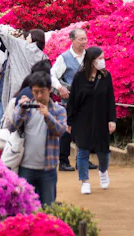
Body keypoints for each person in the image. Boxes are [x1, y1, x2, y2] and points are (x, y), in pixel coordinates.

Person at [7, 70, 67, 206]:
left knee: (48, 207)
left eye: (42, 91)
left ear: (50, 89)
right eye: (35, 92)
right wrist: (21, 110)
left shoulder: (59, 110)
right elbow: (11, 127)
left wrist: (48, 116)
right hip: (25, 167)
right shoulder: (25, 107)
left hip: (48, 168)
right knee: (23, 207)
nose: (39, 96)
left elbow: (61, 131)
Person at [67, 46, 117, 195]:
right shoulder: (79, 77)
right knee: (82, 150)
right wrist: (69, 121)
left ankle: (103, 171)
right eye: (100, 58)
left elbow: (110, 99)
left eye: (103, 58)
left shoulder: (106, 77)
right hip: (82, 120)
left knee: (103, 152)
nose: (103, 61)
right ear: (91, 61)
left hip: (101, 119)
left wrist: (112, 120)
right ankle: (85, 181)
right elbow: (72, 101)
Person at [51, 27, 89, 171]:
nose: (84, 42)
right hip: (70, 101)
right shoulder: (64, 58)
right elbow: (52, 75)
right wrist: (60, 88)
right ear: (72, 40)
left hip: (86, 100)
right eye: (81, 39)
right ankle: (63, 161)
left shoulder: (89, 56)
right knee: (67, 130)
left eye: (85, 39)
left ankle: (82, 160)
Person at [0, 25, 48, 123]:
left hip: (15, 87)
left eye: (29, 36)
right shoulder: (43, 56)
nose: (26, 37)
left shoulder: (21, 46)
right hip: (32, 89)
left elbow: (6, 36)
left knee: (11, 116)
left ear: (33, 38)